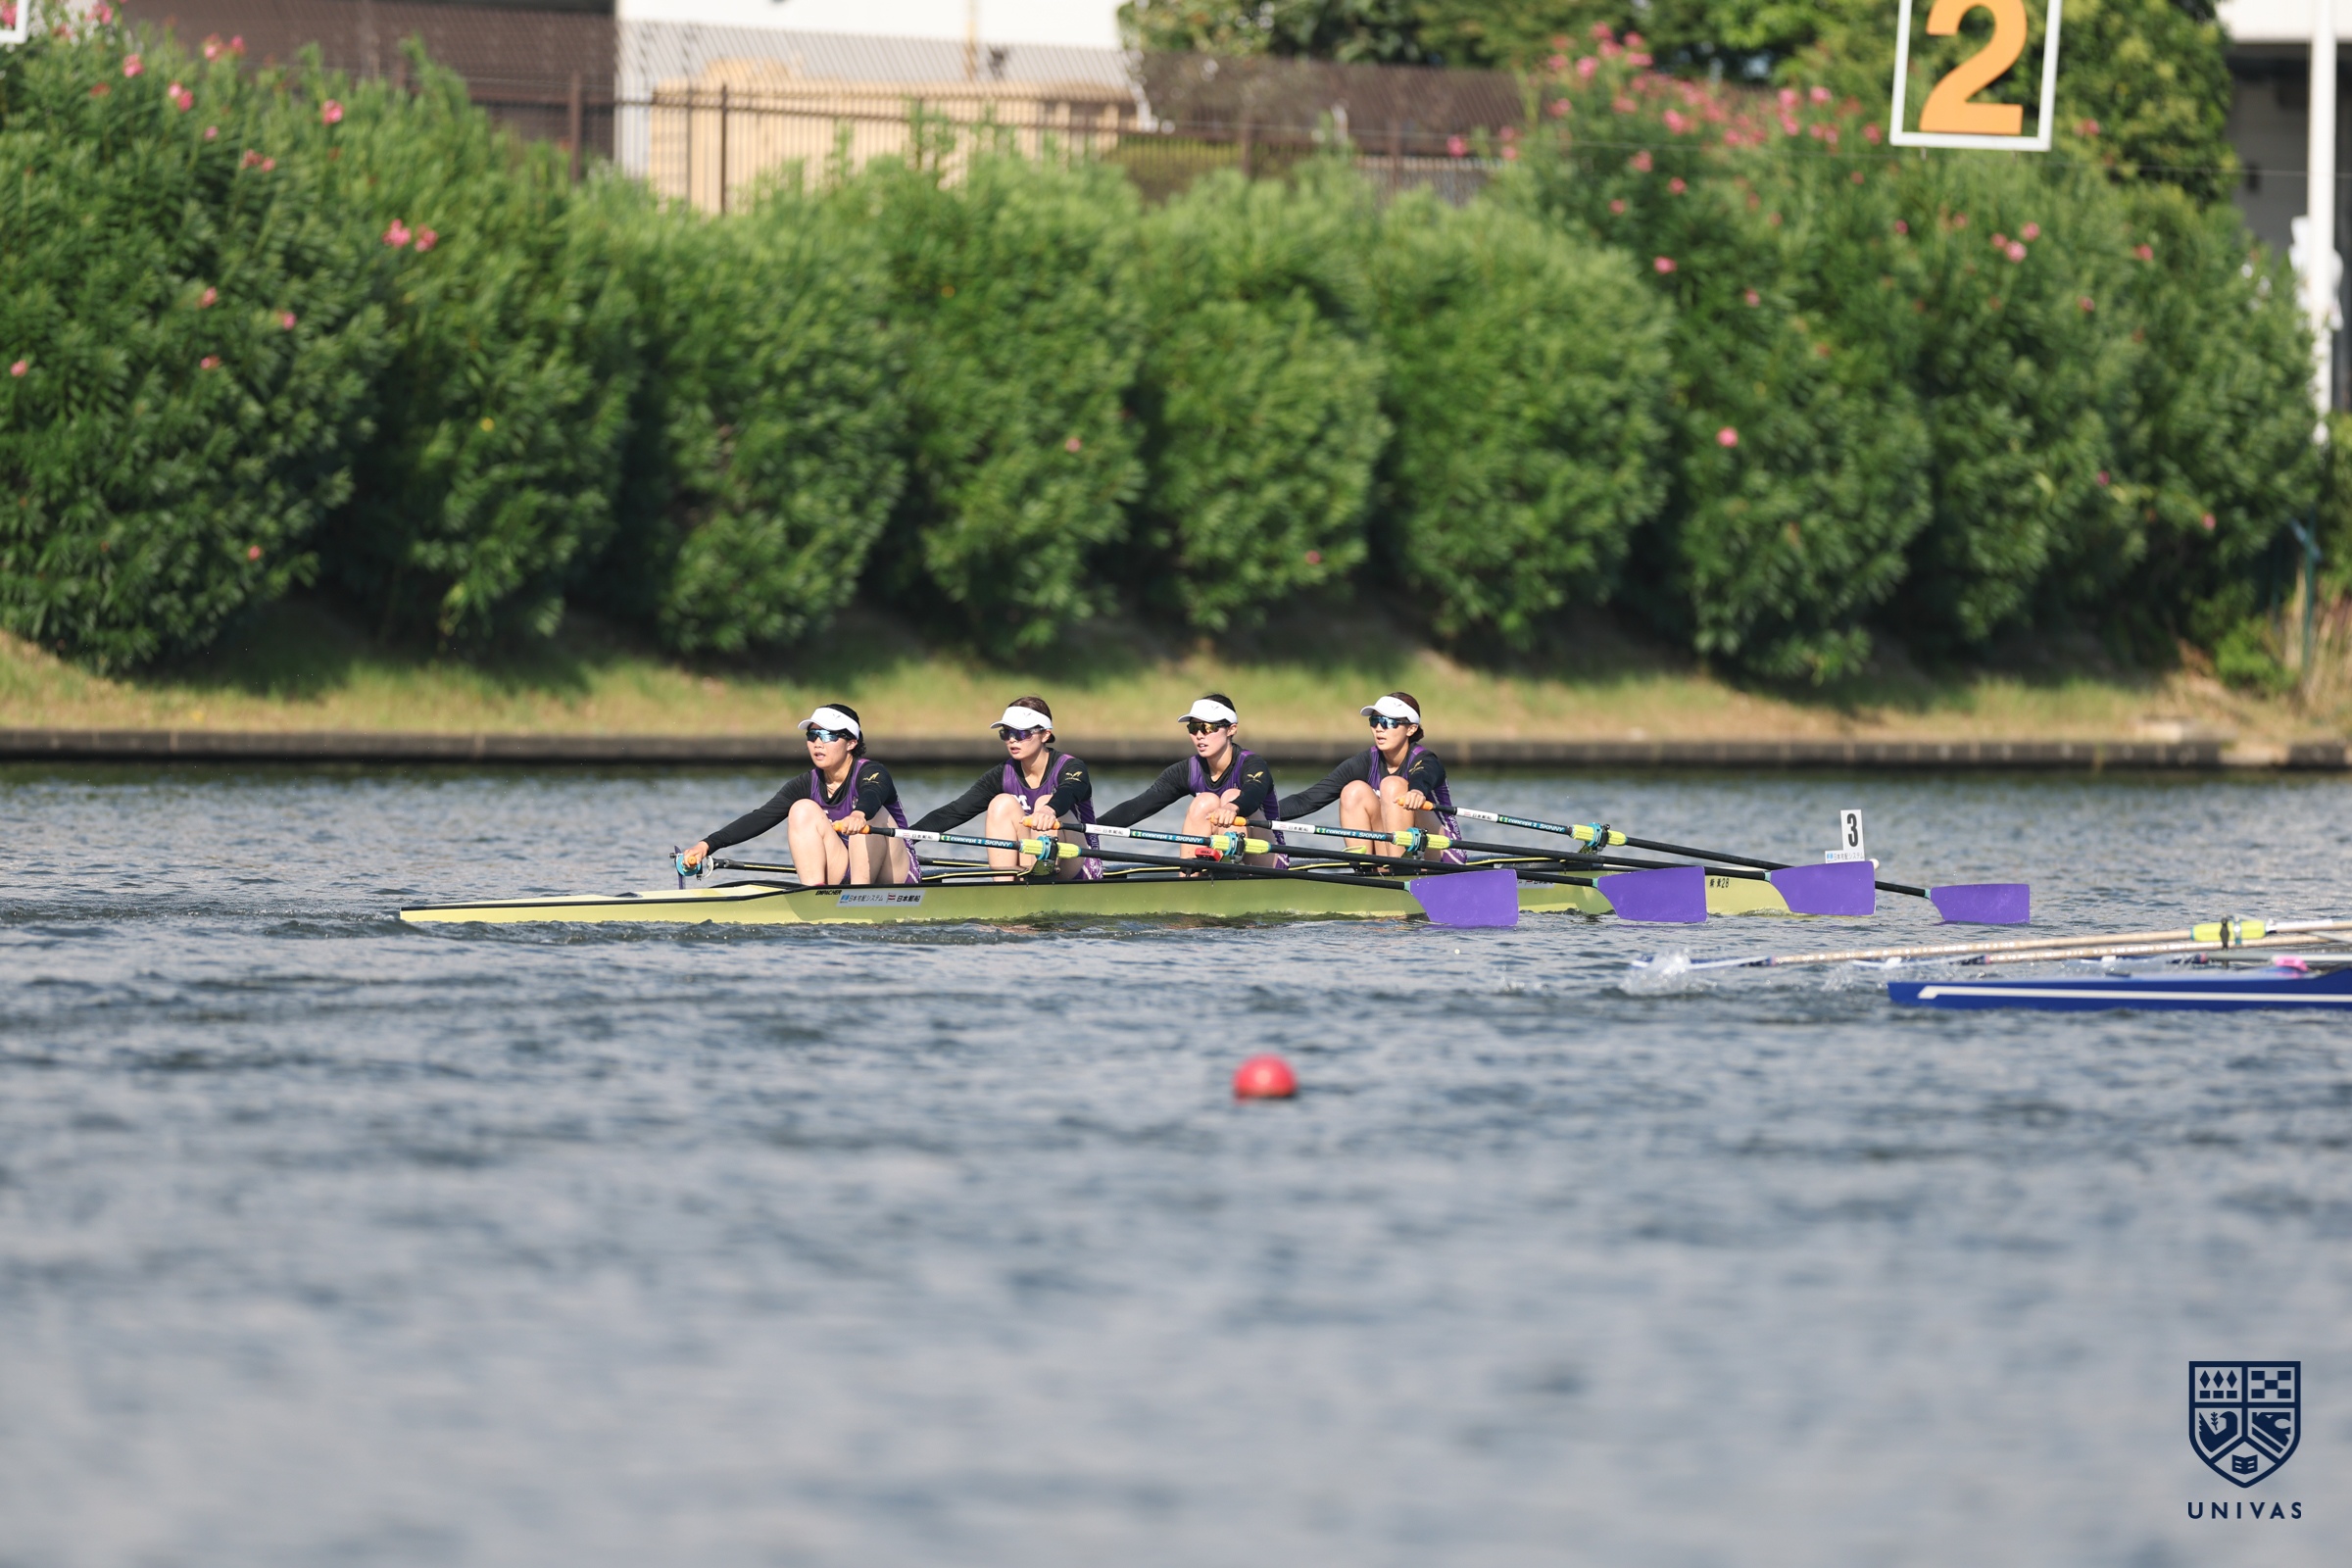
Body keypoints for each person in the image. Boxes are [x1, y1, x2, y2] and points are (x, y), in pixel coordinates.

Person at [677, 703, 917, 887]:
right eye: (812, 736)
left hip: (894, 872)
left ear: (851, 743)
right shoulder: (807, 783)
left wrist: (859, 814)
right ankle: (814, 895)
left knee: (873, 815)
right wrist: (706, 845)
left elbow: (872, 794)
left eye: (827, 735)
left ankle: (859, 899)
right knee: (801, 809)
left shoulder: (872, 772)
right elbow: (761, 817)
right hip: (843, 866)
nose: (817, 743)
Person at [908, 697, 1100, 881]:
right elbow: (955, 811)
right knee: (1001, 803)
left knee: (1045, 801)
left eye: (1022, 733)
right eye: (1007, 733)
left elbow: (1069, 791)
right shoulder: (1002, 773)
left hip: (1080, 864)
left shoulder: (1072, 767)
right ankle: (1005, 887)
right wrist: (906, 837)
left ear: (1045, 734)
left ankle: (1042, 882)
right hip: (1030, 861)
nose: (1012, 740)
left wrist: (1049, 810)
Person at [1276, 691, 1465, 862]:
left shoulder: (1425, 759)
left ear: (1411, 729)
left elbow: (1423, 776)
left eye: (1389, 723)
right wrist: (1261, 811)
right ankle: (1366, 868)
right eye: (1374, 721)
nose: (1379, 729)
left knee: (1392, 785)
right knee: (1353, 791)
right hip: (1394, 854)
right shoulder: (1365, 762)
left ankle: (1400, 868)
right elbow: (1307, 800)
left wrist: (1417, 791)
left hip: (1444, 853)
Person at [1096, 693, 1282, 866]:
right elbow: (1139, 806)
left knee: (1231, 796)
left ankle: (1232, 872)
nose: (1199, 735)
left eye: (1208, 728)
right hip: (1220, 851)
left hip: (1270, 858)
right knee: (1204, 802)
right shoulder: (1187, 770)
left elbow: (1253, 793)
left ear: (1231, 729)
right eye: (1194, 728)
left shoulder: (1252, 764)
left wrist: (1233, 807)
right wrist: (1091, 828)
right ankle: (1190, 877)